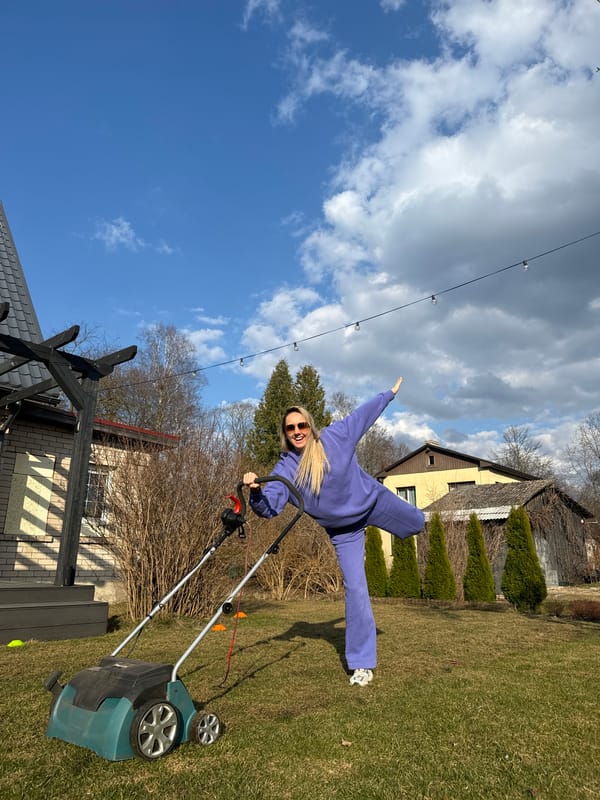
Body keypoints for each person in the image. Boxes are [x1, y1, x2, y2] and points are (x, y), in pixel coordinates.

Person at [243, 376, 424, 687]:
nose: (297, 431)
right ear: (285, 434)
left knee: (418, 523)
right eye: (290, 428)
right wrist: (256, 491)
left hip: (372, 502)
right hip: (344, 532)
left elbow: (363, 415)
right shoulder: (286, 468)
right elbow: (270, 507)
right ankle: (362, 664)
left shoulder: (336, 437)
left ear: (310, 427)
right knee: (356, 589)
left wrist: (389, 394)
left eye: (301, 425)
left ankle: (417, 524)